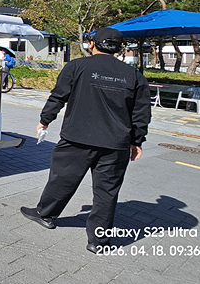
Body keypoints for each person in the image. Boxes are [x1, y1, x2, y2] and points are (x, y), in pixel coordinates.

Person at [20, 27, 151, 254]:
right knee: (107, 191)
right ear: (119, 49)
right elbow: (141, 112)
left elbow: (58, 96)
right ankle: (99, 241)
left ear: (92, 44)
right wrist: (136, 140)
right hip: (115, 143)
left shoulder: (77, 66)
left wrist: (45, 121)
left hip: (77, 137)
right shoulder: (134, 76)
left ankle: (46, 214)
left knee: (63, 178)